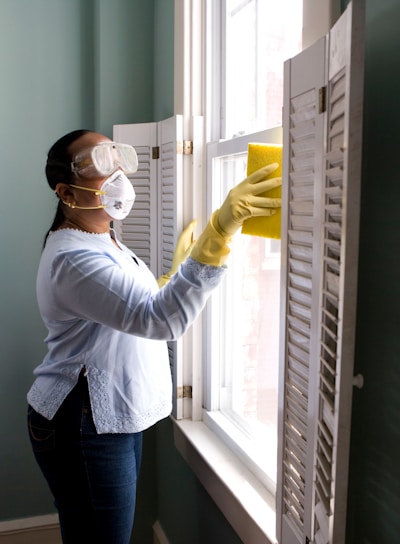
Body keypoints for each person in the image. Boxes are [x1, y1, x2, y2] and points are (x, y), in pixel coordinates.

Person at [27, 129, 281, 544]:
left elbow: (125, 305)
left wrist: (170, 277)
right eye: (100, 162)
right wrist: (218, 233)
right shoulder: (73, 256)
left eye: (118, 155)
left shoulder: (102, 238)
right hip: (82, 420)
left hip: (106, 416)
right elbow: (160, 321)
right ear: (66, 192)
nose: (119, 171)